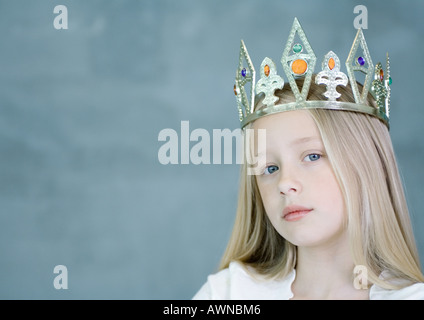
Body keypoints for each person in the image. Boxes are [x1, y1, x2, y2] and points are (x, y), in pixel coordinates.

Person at [193, 19, 424, 300]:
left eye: (312, 156)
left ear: (368, 165)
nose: (285, 183)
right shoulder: (229, 293)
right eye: (270, 168)